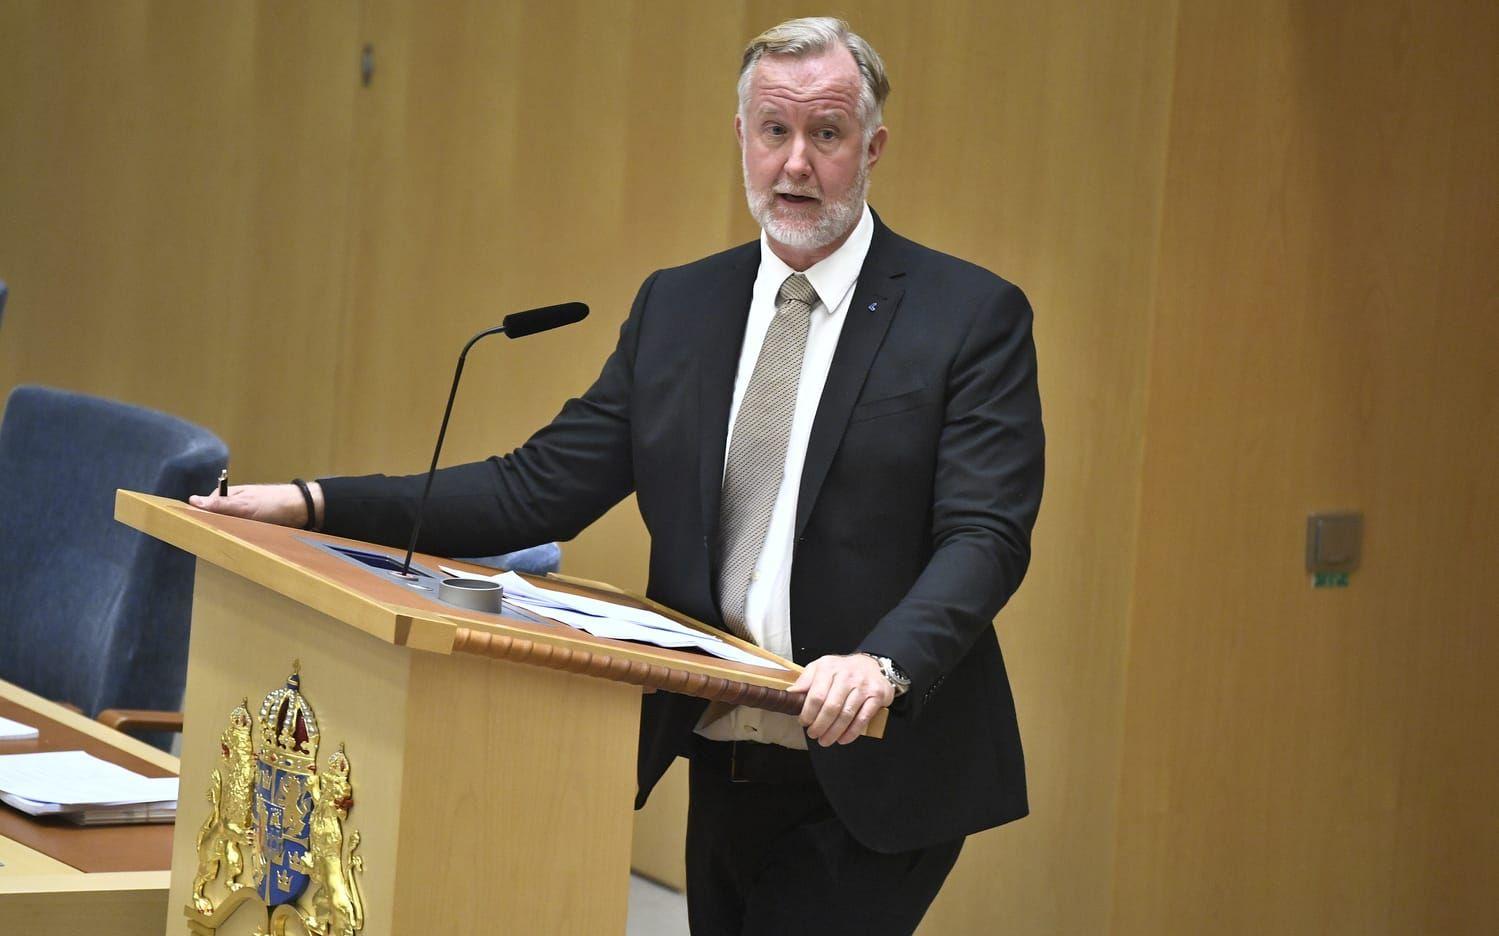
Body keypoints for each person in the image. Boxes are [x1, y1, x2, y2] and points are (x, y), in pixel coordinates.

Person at [193, 17, 1043, 935]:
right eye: (774, 131)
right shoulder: (681, 307)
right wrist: (313, 504)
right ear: (742, 137)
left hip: (876, 765)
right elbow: (533, 489)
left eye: (826, 135)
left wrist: (883, 662)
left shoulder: (966, 317)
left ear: (871, 148)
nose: (796, 165)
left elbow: (984, 535)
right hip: (722, 755)